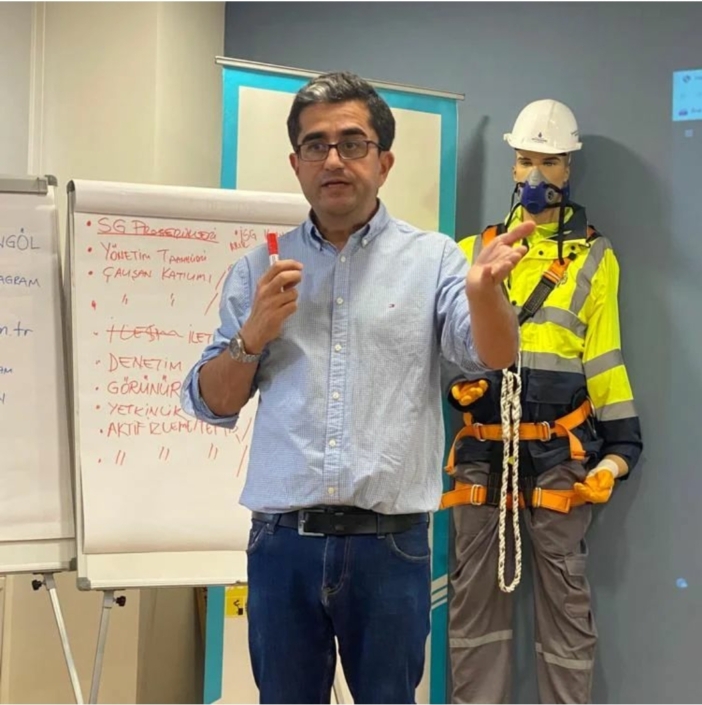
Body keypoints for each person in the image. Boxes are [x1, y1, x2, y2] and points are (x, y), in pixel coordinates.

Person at [181, 70, 532, 705]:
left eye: (352, 143)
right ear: (296, 163)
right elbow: (214, 402)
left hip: (390, 545)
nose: (333, 160)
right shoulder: (260, 267)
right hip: (282, 543)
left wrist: (485, 293)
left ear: (384, 161)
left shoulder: (434, 260)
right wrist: (251, 336)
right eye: (315, 145)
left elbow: (493, 355)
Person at [443, 99, 643, 704]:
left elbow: (604, 358)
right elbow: (448, 348)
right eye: (526, 160)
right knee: (474, 609)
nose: (536, 175)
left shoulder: (595, 258)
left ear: (568, 169)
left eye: (550, 162)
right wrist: (459, 383)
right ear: (511, 166)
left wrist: (620, 451)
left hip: (559, 455)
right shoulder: (468, 251)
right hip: (482, 453)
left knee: (566, 610)